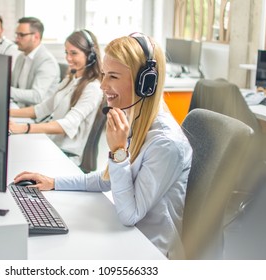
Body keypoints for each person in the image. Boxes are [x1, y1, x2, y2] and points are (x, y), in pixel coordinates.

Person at [13, 33, 193, 259]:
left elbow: (130, 213)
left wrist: (119, 152)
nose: (103, 85)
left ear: (144, 83)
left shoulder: (166, 143)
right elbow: (106, 179)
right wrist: (54, 182)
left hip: (149, 249)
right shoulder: (133, 119)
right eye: (103, 75)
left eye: (113, 77)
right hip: (125, 235)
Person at [9, 30, 103, 166]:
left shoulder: (93, 88)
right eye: (66, 52)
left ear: (90, 56)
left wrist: (24, 127)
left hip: (65, 156)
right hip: (50, 144)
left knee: (15, 160)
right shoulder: (71, 79)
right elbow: (42, 108)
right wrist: (7, 113)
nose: (68, 58)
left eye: (74, 53)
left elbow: (66, 125)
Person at [11, 17, 60, 107]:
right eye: (16, 35)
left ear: (36, 37)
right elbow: (13, 85)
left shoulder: (47, 62)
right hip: (19, 108)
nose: (17, 39)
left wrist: (7, 91)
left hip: (36, 117)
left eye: (21, 35)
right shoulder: (21, 57)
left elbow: (37, 96)